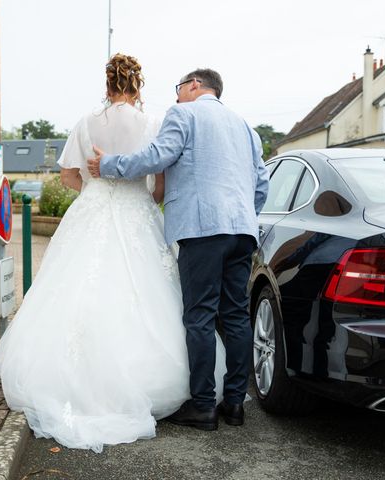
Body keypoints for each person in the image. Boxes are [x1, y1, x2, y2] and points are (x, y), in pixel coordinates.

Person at [0, 54, 226, 453]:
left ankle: (63, 379)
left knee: (75, 286)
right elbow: (160, 183)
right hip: (137, 212)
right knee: (147, 293)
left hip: (91, 211)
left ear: (108, 83)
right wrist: (144, 199)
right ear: (138, 85)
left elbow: (66, 175)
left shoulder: (85, 122)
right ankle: (159, 381)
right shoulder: (153, 123)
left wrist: (95, 194)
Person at [88, 68, 270, 431]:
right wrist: (243, 216)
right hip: (243, 231)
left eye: (179, 88)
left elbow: (158, 156)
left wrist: (109, 164)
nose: (175, 97)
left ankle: (203, 407)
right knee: (235, 315)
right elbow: (261, 182)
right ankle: (234, 404)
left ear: (195, 85)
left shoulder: (184, 114)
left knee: (199, 315)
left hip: (202, 229)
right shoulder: (245, 127)